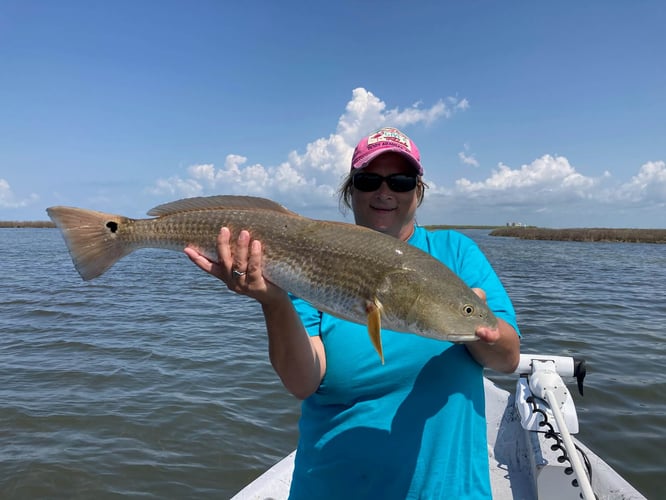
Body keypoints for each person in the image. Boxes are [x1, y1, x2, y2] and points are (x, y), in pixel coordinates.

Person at [184, 127, 521, 499]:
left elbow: (507, 359)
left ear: (418, 191)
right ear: (350, 189)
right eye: (368, 180)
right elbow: (302, 382)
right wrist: (274, 301)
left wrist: (479, 324)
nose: (385, 192)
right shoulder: (312, 258)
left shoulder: (456, 253)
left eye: (401, 180)